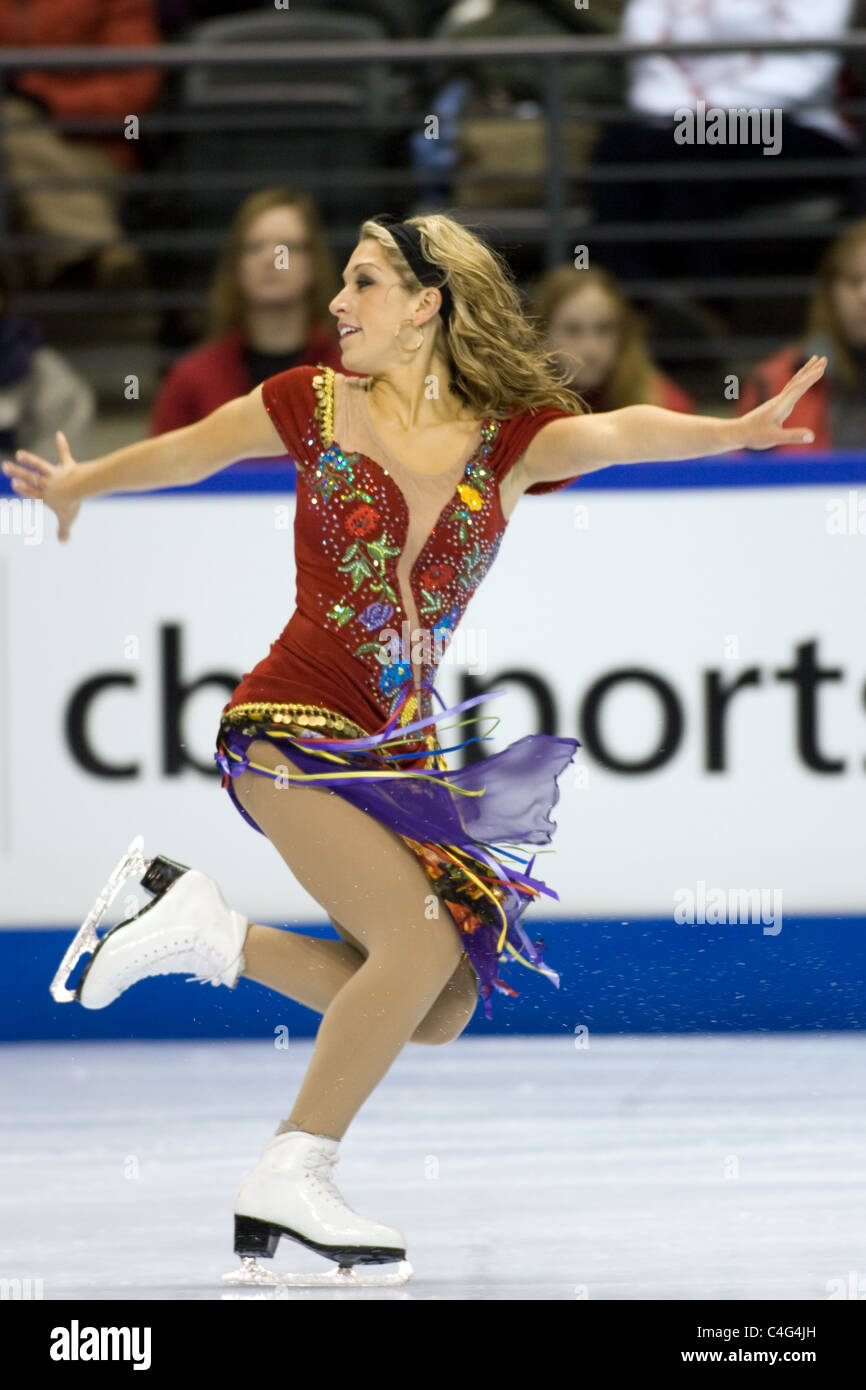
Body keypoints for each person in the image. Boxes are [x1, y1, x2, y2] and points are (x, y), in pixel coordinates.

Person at [2, 212, 826, 1283]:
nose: (336, 302)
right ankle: (291, 1171)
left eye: (363, 283)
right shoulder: (311, 403)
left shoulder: (511, 441)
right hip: (286, 725)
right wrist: (77, 485)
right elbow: (182, 455)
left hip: (391, 755)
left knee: (436, 1004)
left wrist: (729, 432)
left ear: (427, 302)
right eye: (341, 284)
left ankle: (201, 927)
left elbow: (620, 429)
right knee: (425, 934)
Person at [149, 189, 345, 436]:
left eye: (287, 247)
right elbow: (160, 471)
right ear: (236, 264)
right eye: (254, 247)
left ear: (314, 262)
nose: (270, 258)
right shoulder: (191, 380)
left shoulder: (352, 378)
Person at [0, 0, 163, 291]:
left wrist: (45, 101)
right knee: (11, 122)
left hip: (90, 146)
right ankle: (98, 247)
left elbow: (134, 90)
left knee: (13, 124)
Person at [737, 219, 866, 449]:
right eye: (854, 281)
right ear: (830, 291)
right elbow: (742, 480)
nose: (864, 296)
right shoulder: (773, 384)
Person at [530, 264, 694, 412]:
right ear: (542, 335)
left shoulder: (666, 406)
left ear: (623, 333)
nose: (590, 348)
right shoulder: (522, 409)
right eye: (573, 330)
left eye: (604, 329)